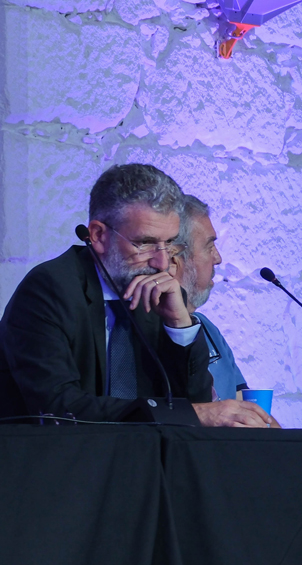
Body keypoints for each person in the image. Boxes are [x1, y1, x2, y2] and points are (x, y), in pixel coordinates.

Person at [0, 164, 276, 428]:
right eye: (145, 243)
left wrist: (180, 326)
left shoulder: (162, 294)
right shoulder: (49, 290)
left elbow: (197, 405)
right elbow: (59, 410)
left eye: (169, 243)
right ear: (98, 235)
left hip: (145, 457)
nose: (162, 262)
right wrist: (189, 414)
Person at [173, 195, 248, 401]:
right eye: (209, 247)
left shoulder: (206, 326)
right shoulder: (149, 332)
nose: (218, 258)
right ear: (175, 257)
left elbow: (244, 403)